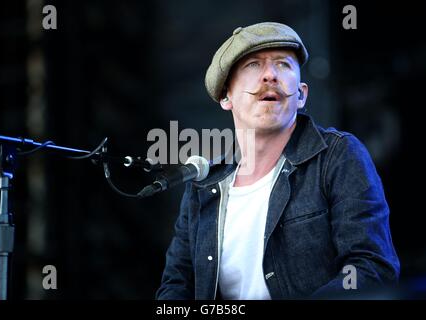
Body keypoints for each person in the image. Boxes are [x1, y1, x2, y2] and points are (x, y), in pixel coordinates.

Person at [155, 22, 400, 299]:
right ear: (226, 96)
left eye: (283, 65)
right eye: (253, 65)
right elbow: (176, 286)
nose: (270, 75)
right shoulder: (204, 184)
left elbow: (370, 269)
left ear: (301, 94)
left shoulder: (338, 156)